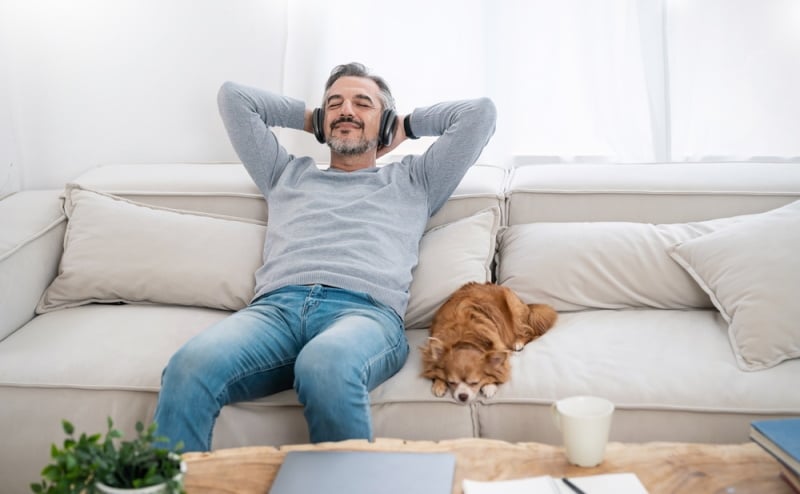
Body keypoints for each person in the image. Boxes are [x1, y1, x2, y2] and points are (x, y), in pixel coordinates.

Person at [153, 62, 496, 451]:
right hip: (274, 313)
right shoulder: (284, 173)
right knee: (188, 366)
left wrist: (405, 125)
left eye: (362, 103)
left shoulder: (415, 180)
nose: (346, 111)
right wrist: (311, 118)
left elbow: (479, 114)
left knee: (325, 364)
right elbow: (235, 97)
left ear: (382, 121)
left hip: (365, 315)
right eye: (334, 104)